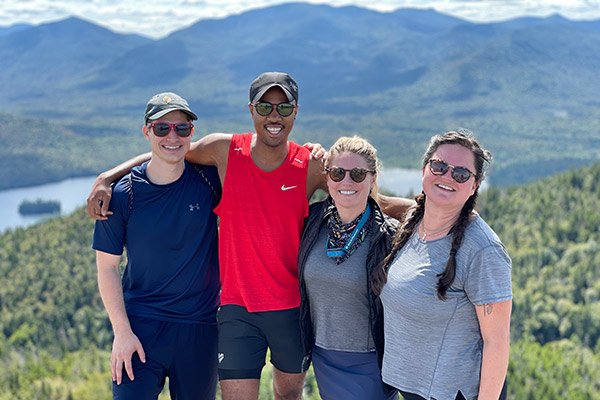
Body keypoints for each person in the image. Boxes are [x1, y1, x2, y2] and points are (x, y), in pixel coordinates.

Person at [87, 72, 413, 400]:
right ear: (251, 110)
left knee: (288, 396)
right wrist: (107, 177)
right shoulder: (224, 151)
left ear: (295, 112)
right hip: (235, 310)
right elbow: (170, 152)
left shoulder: (311, 166)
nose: (274, 115)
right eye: (265, 106)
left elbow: (369, 200)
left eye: (284, 108)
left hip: (291, 309)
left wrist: (441, 210)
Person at [92, 92, 221, 399]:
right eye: (162, 129)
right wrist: (121, 333)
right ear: (147, 132)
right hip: (140, 330)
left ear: (191, 132)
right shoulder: (121, 196)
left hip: (199, 330)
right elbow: (107, 268)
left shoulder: (210, 181)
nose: (172, 137)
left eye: (181, 128)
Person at [373, 130, 512, 400]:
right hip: (414, 387)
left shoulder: (483, 251)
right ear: (424, 170)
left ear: (474, 186)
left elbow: (496, 342)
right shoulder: (414, 222)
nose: (447, 177)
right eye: (439, 166)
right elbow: (380, 202)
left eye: (460, 174)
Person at [297, 136, 398, 400]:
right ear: (327, 177)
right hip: (323, 357)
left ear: (372, 179)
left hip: (369, 362)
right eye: (338, 173)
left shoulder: (390, 236)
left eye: (358, 174)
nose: (347, 182)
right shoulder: (312, 223)